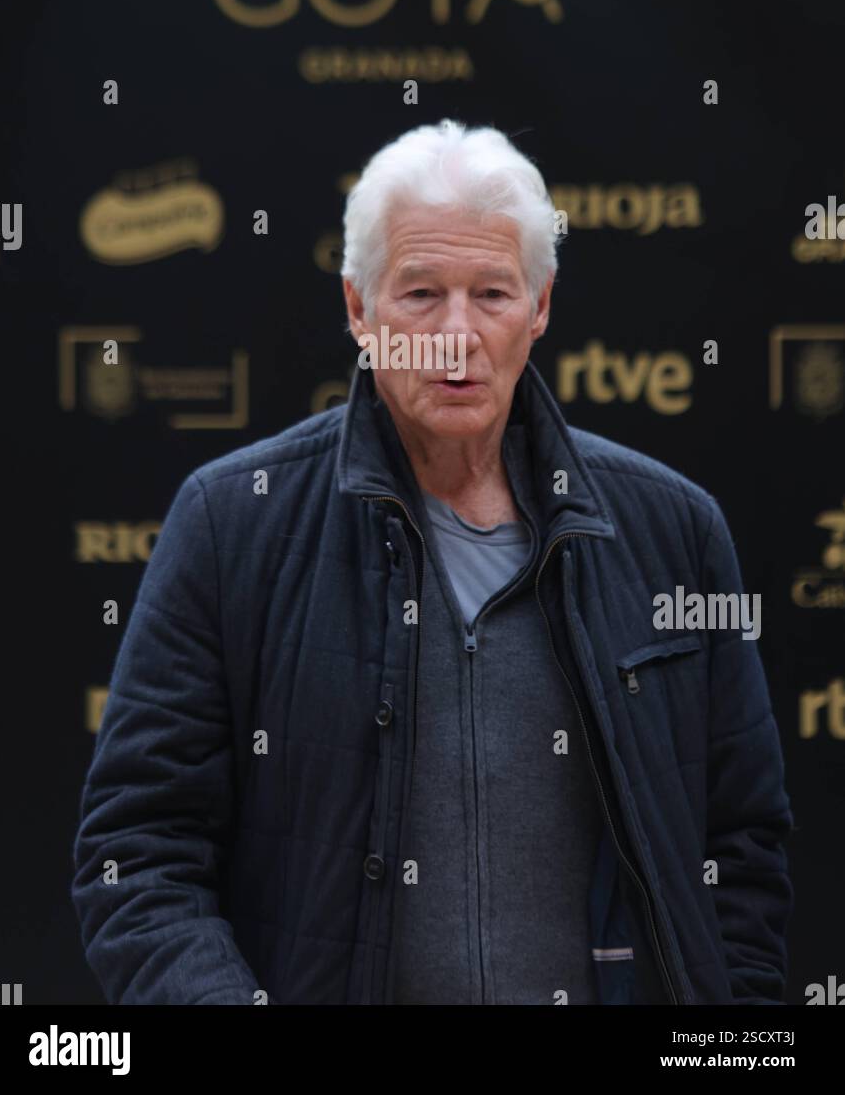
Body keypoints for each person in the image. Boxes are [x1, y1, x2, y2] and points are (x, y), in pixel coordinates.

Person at [71, 118, 793, 1005]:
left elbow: (742, 856)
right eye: (419, 294)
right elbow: (136, 855)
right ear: (356, 309)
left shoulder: (674, 530)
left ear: (541, 307)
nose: (456, 335)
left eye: (491, 294)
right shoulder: (231, 523)